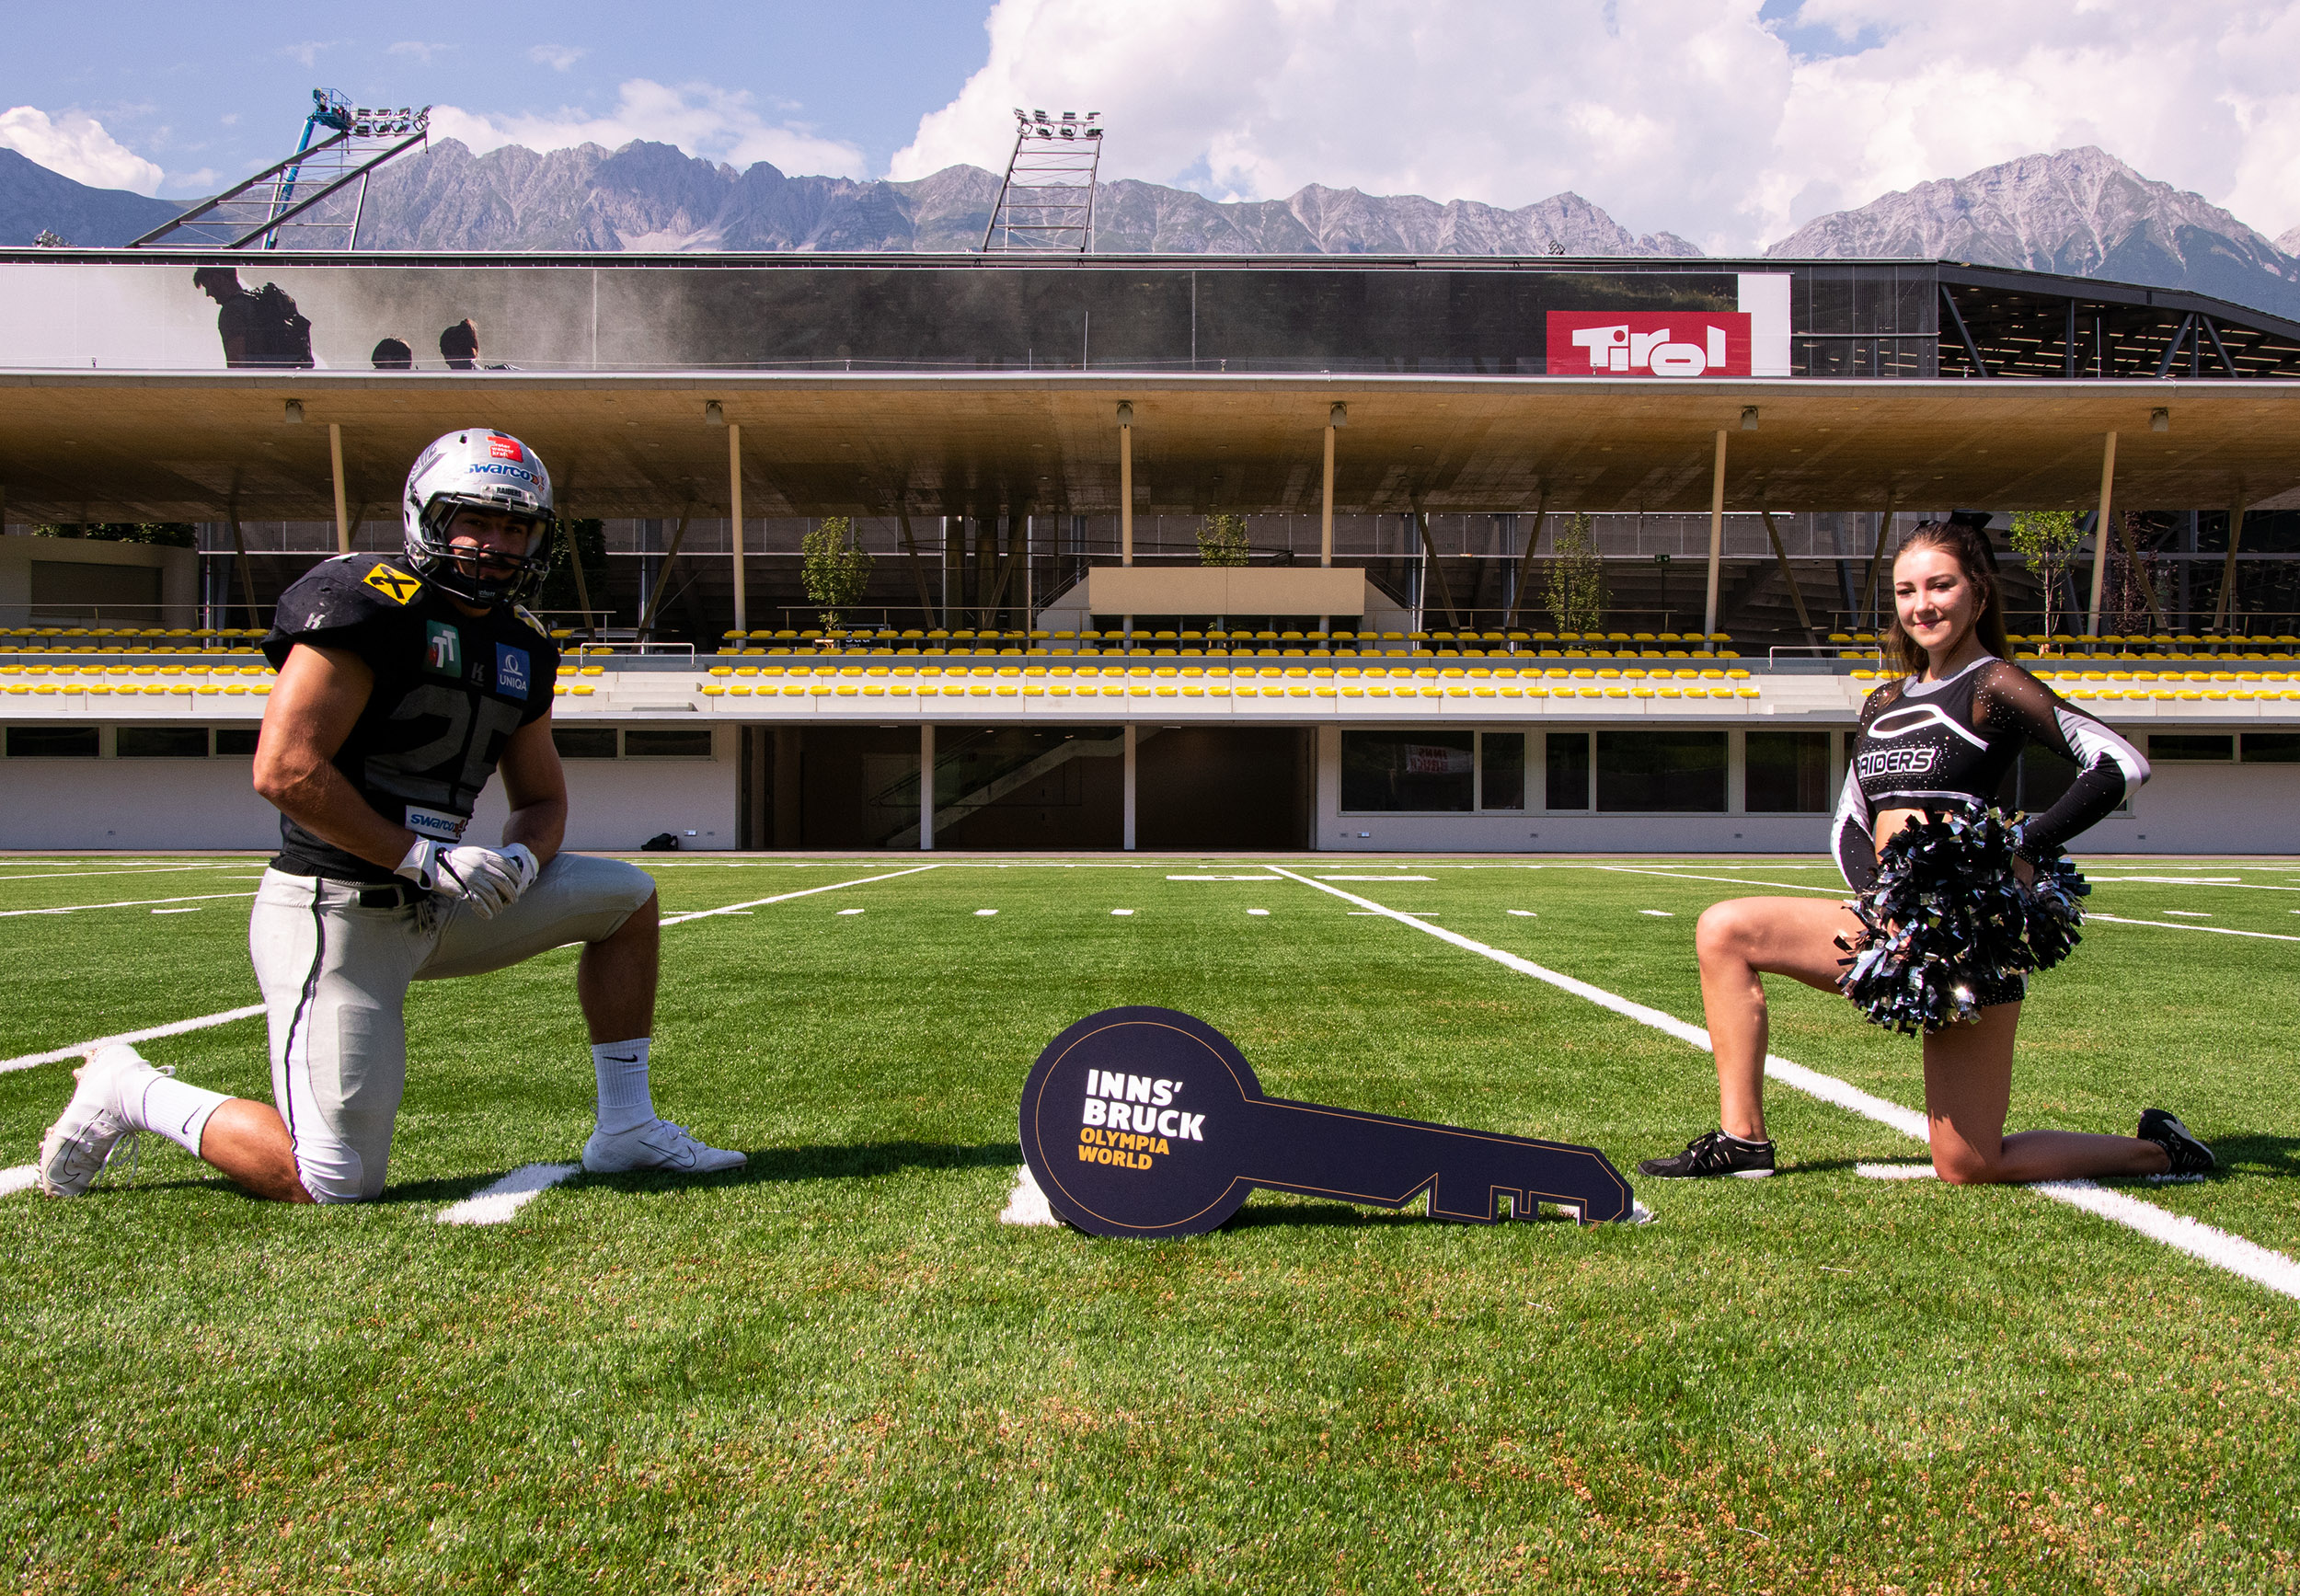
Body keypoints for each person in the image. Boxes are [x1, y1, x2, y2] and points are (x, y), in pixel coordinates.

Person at [35, 429, 744, 1203]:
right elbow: (284, 767)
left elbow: (542, 801)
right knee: (330, 1180)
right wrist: (419, 856)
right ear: (426, 517)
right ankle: (129, 1087)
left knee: (627, 899)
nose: (497, 544)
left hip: (440, 899)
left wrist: (522, 860)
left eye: (517, 528)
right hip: (340, 912)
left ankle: (627, 1125)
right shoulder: (363, 601)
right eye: (477, 520)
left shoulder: (523, 642)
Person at [1639, 519, 2214, 1184]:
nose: (1923, 605)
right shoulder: (1883, 702)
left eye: (1941, 586)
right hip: (1889, 925)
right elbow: (1849, 821)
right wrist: (1880, 905)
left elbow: (2119, 764)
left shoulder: (1992, 684)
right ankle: (1742, 1141)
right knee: (1724, 929)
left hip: (1966, 937)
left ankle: (2160, 1150)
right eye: (1907, 591)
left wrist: (2017, 847)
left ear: (1978, 592)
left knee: (1967, 1164)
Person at [192, 267, 314, 370]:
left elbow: (236, 365)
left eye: (207, 286)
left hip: (259, 383)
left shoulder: (232, 311)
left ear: (216, 279)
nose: (208, 294)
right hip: (286, 379)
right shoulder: (259, 302)